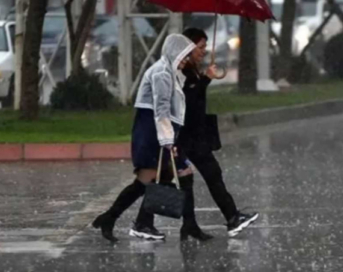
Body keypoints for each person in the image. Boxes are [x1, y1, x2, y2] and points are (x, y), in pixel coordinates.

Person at [92, 34, 196, 243]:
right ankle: (116, 219)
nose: (187, 60)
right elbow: (161, 108)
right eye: (184, 55)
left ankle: (138, 222)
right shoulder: (162, 73)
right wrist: (168, 140)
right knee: (147, 179)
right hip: (152, 133)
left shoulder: (170, 72)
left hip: (158, 132)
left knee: (160, 177)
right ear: (174, 52)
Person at [179, 27, 258, 238]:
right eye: (201, 46)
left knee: (193, 180)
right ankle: (231, 217)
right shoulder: (182, 70)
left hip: (194, 134)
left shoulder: (192, 69)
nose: (204, 51)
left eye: (205, 46)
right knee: (203, 176)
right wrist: (205, 79)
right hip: (187, 135)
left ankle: (191, 225)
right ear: (188, 46)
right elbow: (188, 101)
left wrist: (205, 77)